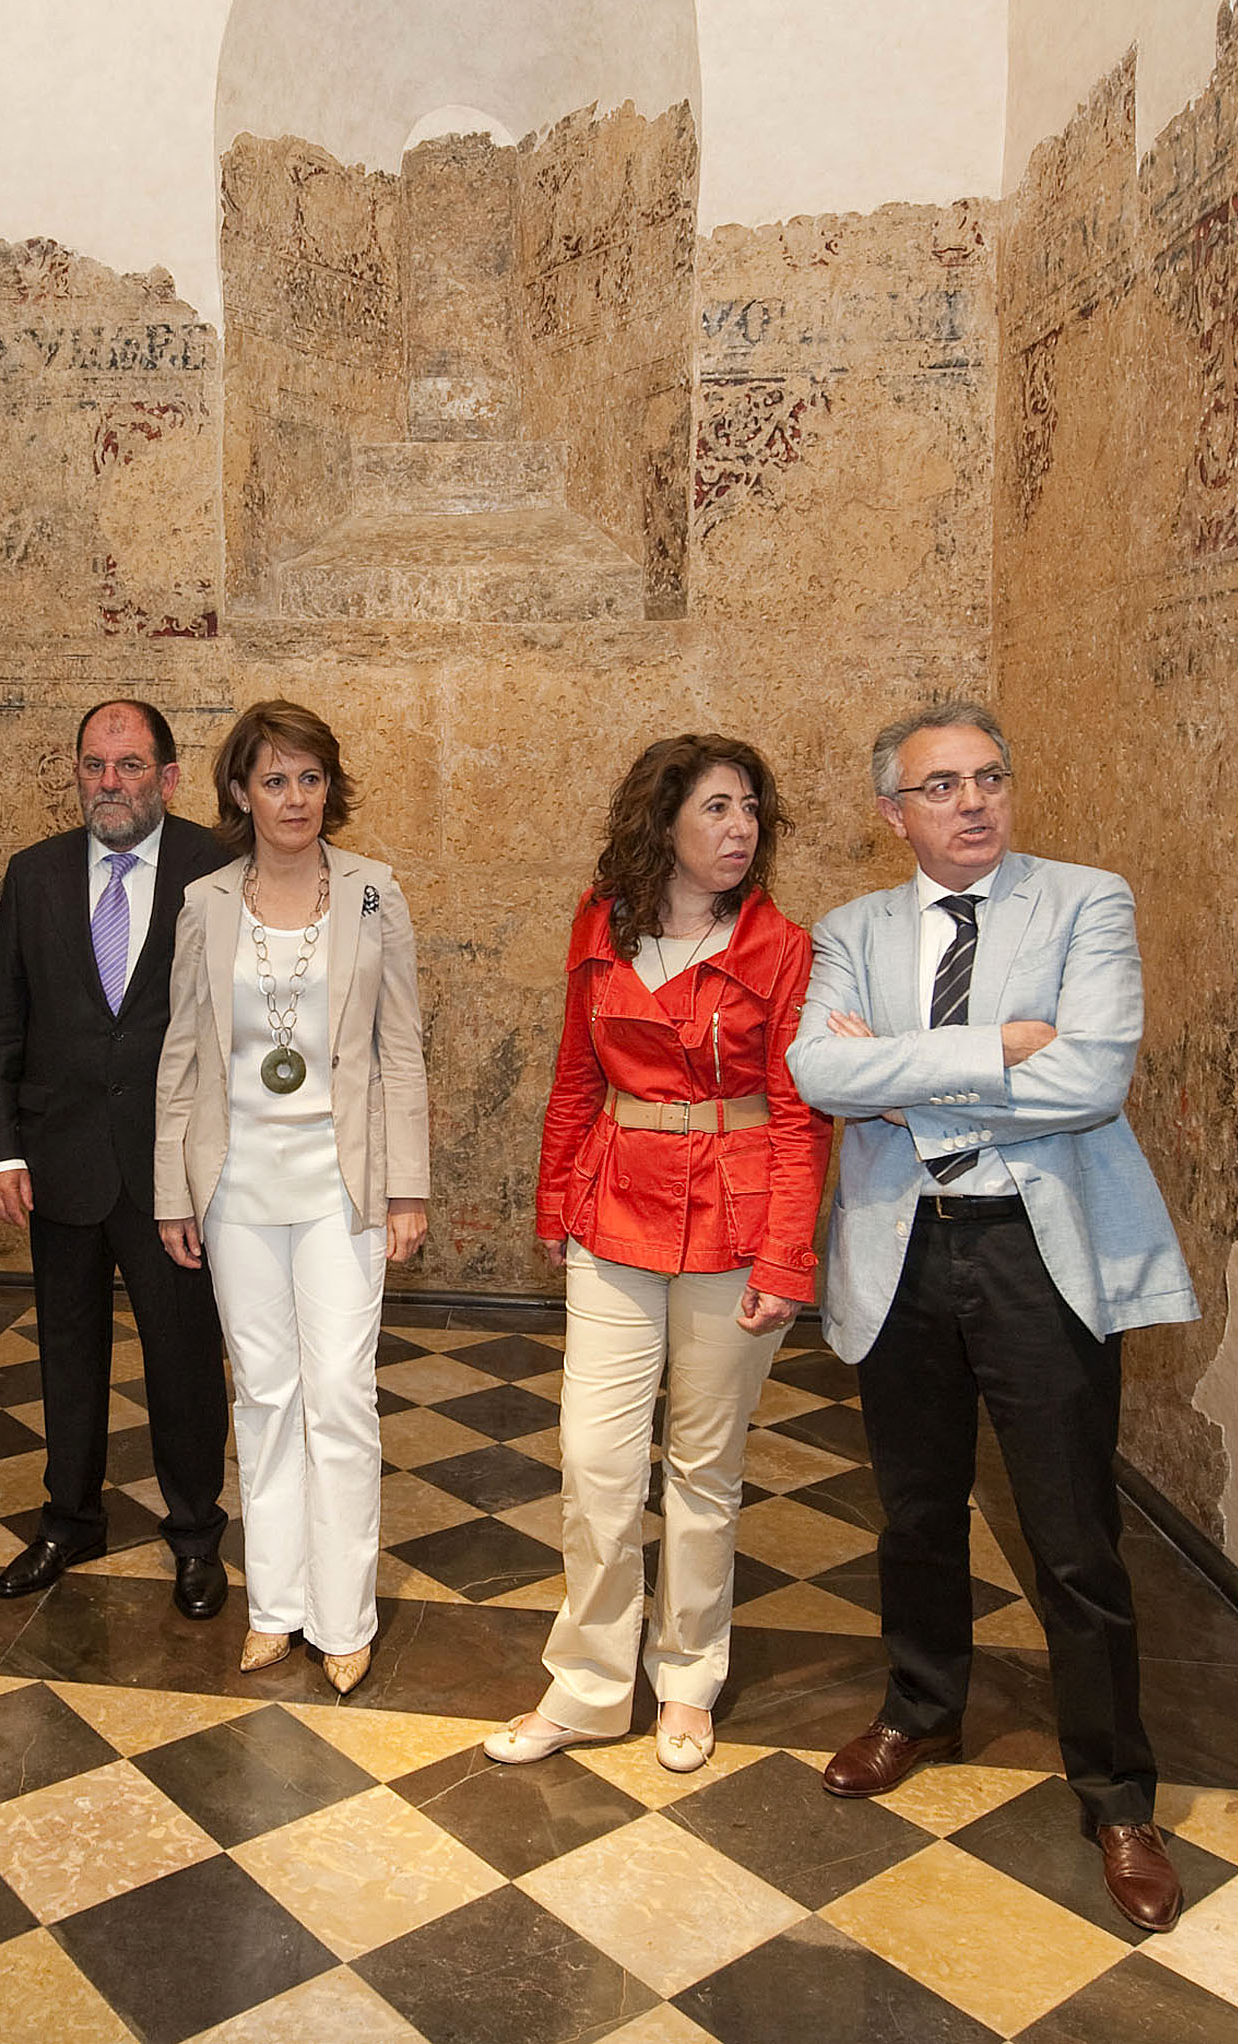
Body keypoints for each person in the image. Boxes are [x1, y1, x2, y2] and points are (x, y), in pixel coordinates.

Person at [784, 697, 1199, 1932]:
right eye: (943, 786)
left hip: (1037, 1255)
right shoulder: (849, 928)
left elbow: (1091, 1076)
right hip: (902, 1250)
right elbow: (817, 1072)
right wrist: (994, 1049)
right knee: (915, 1510)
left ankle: (1117, 1791)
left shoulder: (1086, 901)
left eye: (989, 779)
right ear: (893, 812)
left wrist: (904, 1072)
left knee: (1071, 1534)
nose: (972, 802)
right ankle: (920, 1706)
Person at [487, 734, 827, 1774]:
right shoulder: (603, 925)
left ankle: (686, 1678)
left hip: (736, 1217)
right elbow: (575, 1076)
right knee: (595, 1457)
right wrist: (554, 1201)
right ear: (664, 822)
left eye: (752, 810)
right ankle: (588, 1685)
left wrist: (785, 1260)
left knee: (703, 1465)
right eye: (719, 808)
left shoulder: (782, 947)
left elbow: (800, 1117)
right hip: (614, 1210)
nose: (740, 829)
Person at [153, 701, 428, 1694]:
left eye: (309, 777)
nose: (294, 797)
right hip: (234, 1188)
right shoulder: (206, 901)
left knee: (341, 1397)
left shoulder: (372, 894)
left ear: (330, 786)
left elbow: (399, 1049)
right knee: (265, 1395)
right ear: (239, 792)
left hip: (339, 1187)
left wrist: (406, 1187)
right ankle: (275, 1604)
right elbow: (182, 1054)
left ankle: (344, 1615)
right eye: (273, 779)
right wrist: (171, 1189)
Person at [0, 700, 235, 1614]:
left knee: (184, 1355)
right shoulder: (35, 873)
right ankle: (68, 1521)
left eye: (130, 766)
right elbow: (2, 1026)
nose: (110, 783)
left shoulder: (218, 866)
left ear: (167, 776)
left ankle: (197, 1534)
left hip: (175, 1174)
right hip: (59, 1161)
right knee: (65, 1353)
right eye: (94, 765)